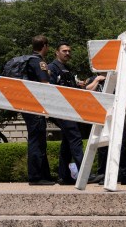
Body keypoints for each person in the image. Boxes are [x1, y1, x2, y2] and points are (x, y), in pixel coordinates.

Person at [85, 72, 126, 184]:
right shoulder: (93, 79)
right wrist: (97, 80)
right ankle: (102, 176)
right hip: (101, 118)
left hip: (118, 116)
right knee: (103, 148)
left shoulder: (118, 79)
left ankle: (124, 176)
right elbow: (87, 92)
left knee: (121, 145)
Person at [47, 42, 84, 185]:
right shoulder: (52, 68)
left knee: (68, 142)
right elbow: (50, 88)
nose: (67, 53)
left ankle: (64, 176)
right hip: (60, 109)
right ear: (57, 52)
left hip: (70, 109)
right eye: (64, 51)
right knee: (75, 137)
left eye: (69, 51)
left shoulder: (68, 69)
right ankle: (84, 172)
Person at [20, 35, 54, 185]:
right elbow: (45, 84)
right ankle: (36, 177)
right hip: (35, 106)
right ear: (44, 46)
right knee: (36, 141)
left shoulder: (30, 61)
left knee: (39, 140)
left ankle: (44, 175)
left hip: (29, 105)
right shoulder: (38, 62)